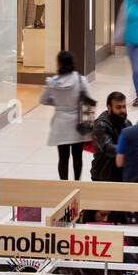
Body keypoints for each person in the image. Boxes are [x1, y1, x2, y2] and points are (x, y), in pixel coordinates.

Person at [38, 51, 95, 181]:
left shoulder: (52, 82)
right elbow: (89, 100)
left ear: (58, 63)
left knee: (63, 158)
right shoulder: (81, 80)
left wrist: (58, 104)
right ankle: (77, 182)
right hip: (78, 124)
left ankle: (63, 184)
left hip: (60, 123)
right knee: (77, 156)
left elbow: (43, 100)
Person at [91, 91, 132, 183]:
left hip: (122, 175)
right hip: (103, 175)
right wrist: (129, 149)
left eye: (124, 107)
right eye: (118, 107)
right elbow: (107, 147)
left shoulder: (127, 123)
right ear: (109, 108)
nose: (123, 110)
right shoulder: (101, 125)